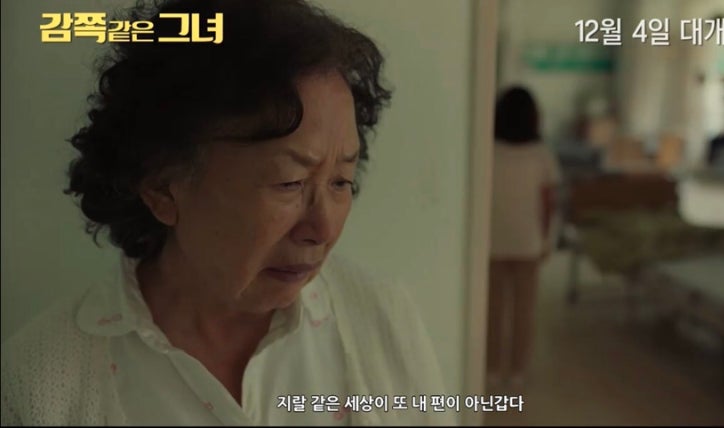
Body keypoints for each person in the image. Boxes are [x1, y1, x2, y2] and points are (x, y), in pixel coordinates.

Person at [0, 0, 453, 425]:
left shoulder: (381, 322)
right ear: (162, 187)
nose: (324, 228)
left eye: (341, 182)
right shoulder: (40, 384)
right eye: (289, 183)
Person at [487, 86, 562, 386]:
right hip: (527, 242)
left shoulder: (489, 151)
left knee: (492, 310)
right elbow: (548, 204)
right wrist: (546, 240)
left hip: (492, 242)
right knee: (524, 311)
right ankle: (517, 370)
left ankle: (491, 368)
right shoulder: (542, 155)